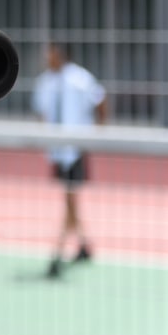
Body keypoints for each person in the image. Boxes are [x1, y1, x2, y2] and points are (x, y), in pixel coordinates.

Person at [32, 43, 107, 278]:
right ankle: (84, 245)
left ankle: (57, 253)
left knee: (70, 198)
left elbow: (100, 101)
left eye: (51, 53)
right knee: (70, 199)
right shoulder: (45, 82)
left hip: (75, 149)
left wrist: (96, 132)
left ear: (61, 55)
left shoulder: (80, 78)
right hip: (58, 151)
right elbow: (42, 111)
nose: (47, 57)